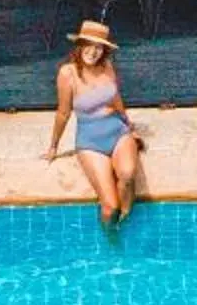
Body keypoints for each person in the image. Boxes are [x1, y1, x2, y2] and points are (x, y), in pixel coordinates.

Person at [49, 20, 145, 226]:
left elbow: (115, 96)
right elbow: (63, 113)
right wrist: (54, 146)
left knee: (127, 176)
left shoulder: (107, 66)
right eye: (89, 45)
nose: (93, 52)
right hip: (91, 142)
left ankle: (127, 221)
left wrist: (128, 122)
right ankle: (112, 247)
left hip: (118, 131)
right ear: (80, 45)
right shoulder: (68, 73)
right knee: (110, 206)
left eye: (99, 47)